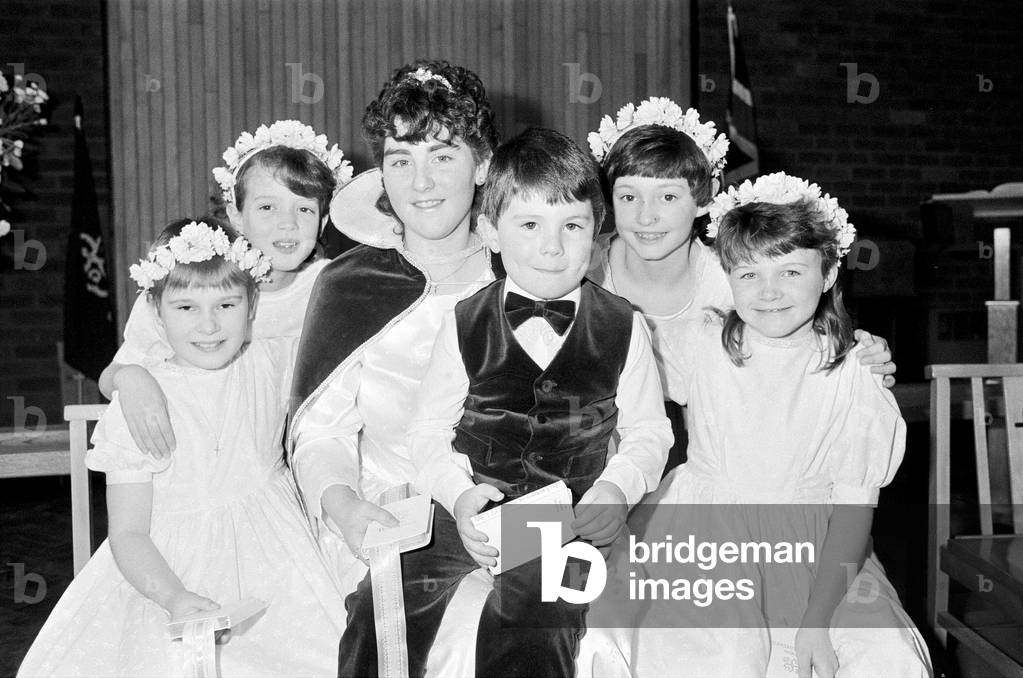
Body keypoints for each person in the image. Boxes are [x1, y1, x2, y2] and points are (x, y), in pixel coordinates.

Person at [333, 127, 672, 678]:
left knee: (532, 628)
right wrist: (460, 497)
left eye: (573, 226)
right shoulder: (464, 322)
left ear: (598, 231)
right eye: (530, 225)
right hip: (469, 506)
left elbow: (650, 432)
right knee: (381, 603)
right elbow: (428, 434)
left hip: (563, 516)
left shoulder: (623, 325)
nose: (552, 247)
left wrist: (615, 488)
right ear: (491, 231)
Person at [629, 174, 931, 678]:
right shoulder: (700, 342)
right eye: (748, 275)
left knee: (886, 658)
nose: (768, 293)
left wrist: (816, 620)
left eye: (791, 272)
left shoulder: (855, 371)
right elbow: (614, 352)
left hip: (821, 549)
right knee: (720, 658)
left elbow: (854, 515)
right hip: (705, 537)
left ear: (830, 272)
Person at [18, 220, 347, 678]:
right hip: (166, 573)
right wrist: (172, 596)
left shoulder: (273, 361)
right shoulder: (140, 404)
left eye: (227, 304)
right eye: (186, 306)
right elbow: (128, 533)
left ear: (253, 305)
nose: (208, 325)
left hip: (279, 565)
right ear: (155, 311)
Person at [586, 98, 897, 474]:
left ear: (705, 195)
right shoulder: (583, 271)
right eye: (628, 196)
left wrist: (860, 358)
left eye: (668, 196)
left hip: (712, 458)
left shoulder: (735, 275)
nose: (646, 215)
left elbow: (787, 324)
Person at [98, 120, 350, 458]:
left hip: (296, 454)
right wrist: (130, 378)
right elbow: (110, 374)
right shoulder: (190, 288)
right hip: (199, 454)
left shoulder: (333, 287)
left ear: (323, 221)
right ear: (236, 214)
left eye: (304, 208)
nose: (287, 223)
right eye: (267, 207)